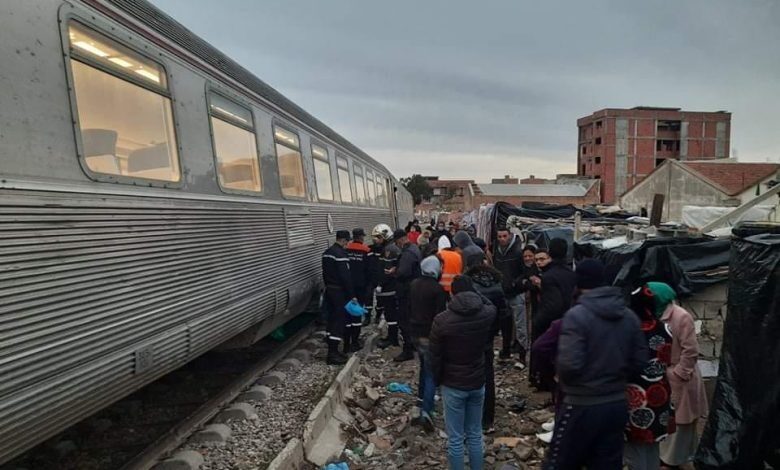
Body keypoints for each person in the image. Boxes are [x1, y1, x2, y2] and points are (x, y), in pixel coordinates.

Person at [547, 259, 648, 470]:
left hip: (581, 404)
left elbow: (569, 365)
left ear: (579, 283)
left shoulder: (577, 316)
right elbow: (640, 362)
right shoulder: (628, 316)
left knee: (560, 463)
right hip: (616, 404)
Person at [430, 275, 496, 470]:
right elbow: (491, 304)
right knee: (475, 434)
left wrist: (437, 381)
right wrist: (476, 294)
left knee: (456, 438)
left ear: (452, 293)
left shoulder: (442, 320)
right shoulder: (486, 314)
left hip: (453, 384)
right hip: (477, 381)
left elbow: (435, 356)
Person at [649, 282, 708, 469]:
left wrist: (679, 374)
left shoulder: (681, 316)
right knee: (667, 421)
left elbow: (690, 351)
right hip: (662, 377)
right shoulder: (651, 314)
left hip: (681, 377)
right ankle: (671, 460)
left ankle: (672, 461)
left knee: (682, 422)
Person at [624, 283, 676, 470]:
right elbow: (668, 359)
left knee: (635, 449)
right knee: (653, 446)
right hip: (660, 394)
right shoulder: (666, 329)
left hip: (634, 396)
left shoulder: (627, 330)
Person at [465, 260, 507, 435]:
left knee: (469, 377)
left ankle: (471, 417)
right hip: (488, 337)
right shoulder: (497, 284)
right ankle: (487, 419)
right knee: (488, 377)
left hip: (471, 339)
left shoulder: (469, 285)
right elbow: (504, 313)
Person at [409, 255, 448, 431]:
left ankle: (421, 398)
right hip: (429, 334)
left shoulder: (414, 284)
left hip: (415, 333)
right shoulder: (437, 290)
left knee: (424, 366)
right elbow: (440, 315)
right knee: (431, 371)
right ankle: (427, 410)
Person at [531, 239, 576, 343]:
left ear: (550, 253)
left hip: (551, 327)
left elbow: (552, 306)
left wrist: (537, 322)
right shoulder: (571, 273)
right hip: (568, 323)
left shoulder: (549, 276)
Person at [321, 230, 356, 365]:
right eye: (347, 241)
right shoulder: (340, 254)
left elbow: (325, 273)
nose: (348, 244)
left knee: (331, 320)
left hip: (329, 289)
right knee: (338, 321)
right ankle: (333, 354)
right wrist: (352, 295)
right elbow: (345, 277)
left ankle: (332, 349)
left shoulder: (327, 253)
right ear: (343, 240)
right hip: (339, 292)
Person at [492, 227, 525, 360]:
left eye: (504, 236)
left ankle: (522, 355)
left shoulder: (518, 251)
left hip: (516, 293)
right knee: (505, 324)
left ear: (510, 236)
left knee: (520, 325)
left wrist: (515, 283)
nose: (502, 239)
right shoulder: (497, 251)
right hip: (502, 293)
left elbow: (523, 272)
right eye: (500, 237)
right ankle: (506, 350)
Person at [391, 228, 421, 362]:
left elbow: (403, 272)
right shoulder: (414, 248)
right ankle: (413, 344)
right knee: (412, 319)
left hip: (406, 291)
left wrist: (394, 271)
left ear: (401, 240)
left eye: (397, 242)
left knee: (404, 321)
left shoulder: (408, 253)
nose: (397, 245)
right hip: (413, 290)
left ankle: (408, 350)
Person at [345, 228, 370, 352]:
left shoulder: (346, 249)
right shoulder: (366, 250)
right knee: (357, 313)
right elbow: (369, 270)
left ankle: (346, 341)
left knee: (348, 312)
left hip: (348, 287)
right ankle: (354, 341)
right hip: (361, 286)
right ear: (360, 237)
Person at [376, 241, 402, 348]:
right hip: (391, 290)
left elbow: (386, 271)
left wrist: (380, 284)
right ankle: (393, 338)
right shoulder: (394, 250)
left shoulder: (389, 250)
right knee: (391, 315)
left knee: (391, 316)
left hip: (388, 291)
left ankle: (393, 339)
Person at [366, 224, 393, 325]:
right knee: (368, 297)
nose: (375, 240)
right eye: (375, 237)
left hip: (382, 278)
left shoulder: (388, 249)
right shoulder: (370, 248)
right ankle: (367, 316)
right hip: (371, 277)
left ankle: (378, 315)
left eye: (378, 237)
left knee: (380, 299)